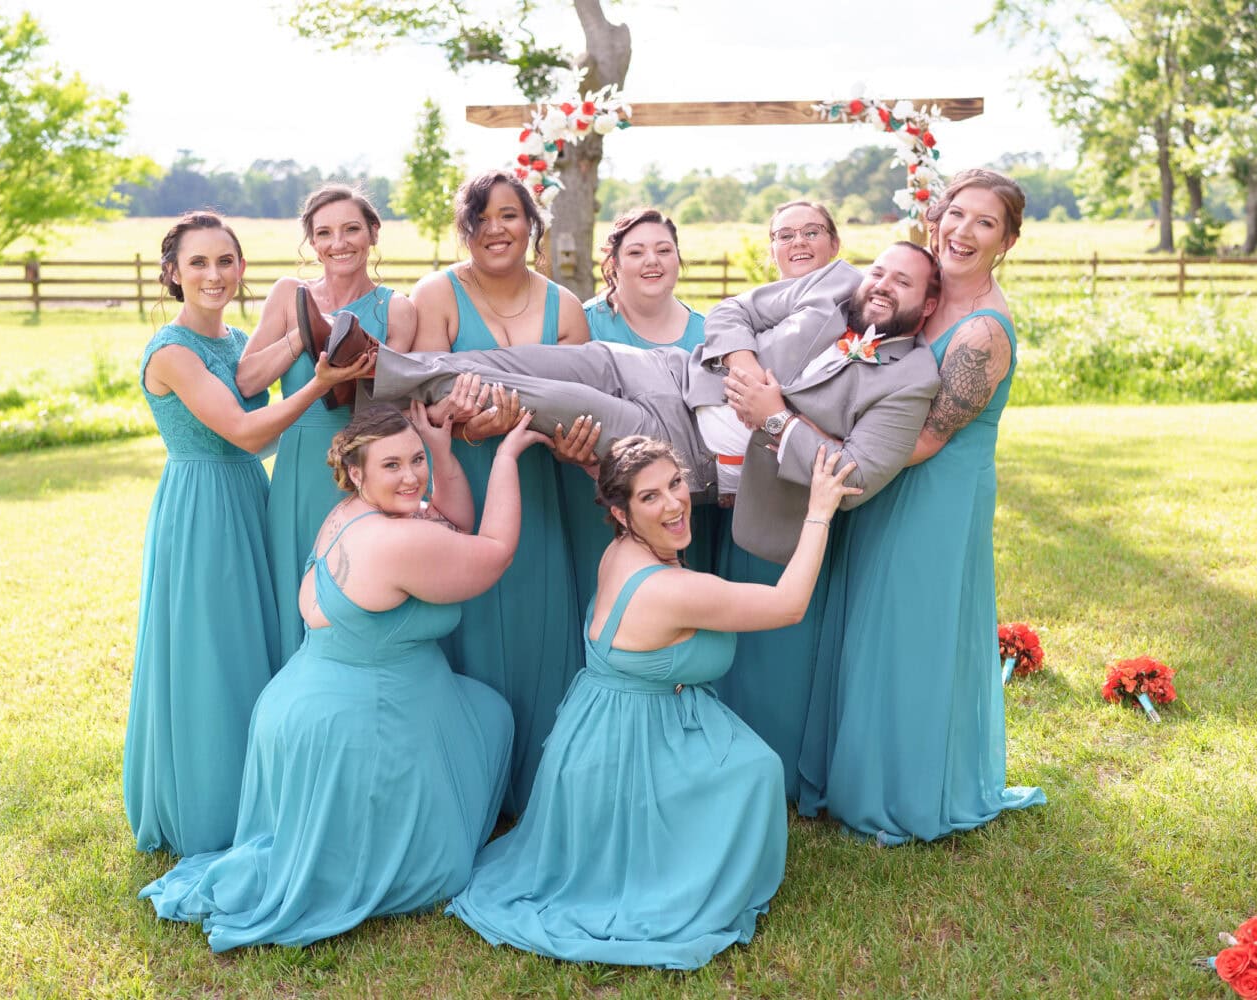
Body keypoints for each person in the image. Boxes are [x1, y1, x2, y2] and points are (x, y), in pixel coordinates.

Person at [447, 436, 857, 970]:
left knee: (750, 762)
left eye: (675, 483)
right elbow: (788, 605)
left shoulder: (622, 550)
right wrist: (820, 511)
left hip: (597, 728)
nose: (673, 503)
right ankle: (674, 875)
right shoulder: (667, 588)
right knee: (757, 772)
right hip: (624, 748)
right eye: (649, 497)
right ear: (621, 512)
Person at [139, 404, 538, 950]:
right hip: (359, 719)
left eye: (415, 460)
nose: (412, 476)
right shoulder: (395, 541)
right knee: (485, 731)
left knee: (487, 711)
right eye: (392, 465)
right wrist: (509, 455)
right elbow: (491, 551)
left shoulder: (349, 513)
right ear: (357, 471)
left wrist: (441, 452)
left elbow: (451, 527)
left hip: (301, 703)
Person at [373, 242, 943, 566]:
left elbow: (858, 477)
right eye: (881, 271)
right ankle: (375, 369)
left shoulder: (912, 377)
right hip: (668, 371)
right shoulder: (832, 284)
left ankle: (371, 374)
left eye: (904, 283)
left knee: (546, 398)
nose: (882, 285)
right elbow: (730, 314)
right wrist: (742, 363)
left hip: (680, 449)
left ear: (927, 304)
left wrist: (774, 414)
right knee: (523, 361)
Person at [796, 168, 1047, 842]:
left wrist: (807, 442)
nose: (962, 231)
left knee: (910, 633)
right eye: (956, 214)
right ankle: (848, 766)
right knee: (864, 620)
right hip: (875, 475)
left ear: (1008, 241)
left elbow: (925, 439)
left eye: (984, 223)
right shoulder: (920, 293)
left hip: (932, 490)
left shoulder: (982, 334)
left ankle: (902, 791)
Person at [125, 212, 362, 857]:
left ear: (241, 269)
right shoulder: (172, 352)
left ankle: (265, 790)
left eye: (225, 261)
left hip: (248, 499)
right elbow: (249, 432)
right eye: (197, 263)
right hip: (200, 508)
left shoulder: (234, 343)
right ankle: (209, 804)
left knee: (257, 644)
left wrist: (298, 341)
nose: (213, 274)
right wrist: (321, 379)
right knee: (211, 652)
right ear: (172, 273)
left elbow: (260, 392)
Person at [407, 169, 590, 815]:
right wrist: (471, 424)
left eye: (509, 215)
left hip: (539, 480)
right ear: (466, 227)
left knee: (540, 616)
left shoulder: (564, 307)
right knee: (471, 620)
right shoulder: (437, 294)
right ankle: (469, 784)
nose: (495, 229)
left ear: (531, 225)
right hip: (462, 480)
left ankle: (542, 784)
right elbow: (427, 396)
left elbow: (577, 399)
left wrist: (525, 426)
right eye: (481, 217)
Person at [234, 185, 417, 662]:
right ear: (312, 244)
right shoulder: (287, 295)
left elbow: (396, 409)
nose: (339, 243)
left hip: (362, 470)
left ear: (373, 234)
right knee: (293, 588)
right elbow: (249, 379)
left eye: (352, 229)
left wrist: (358, 368)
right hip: (296, 470)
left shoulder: (395, 308)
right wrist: (305, 331)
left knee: (353, 590)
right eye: (325, 233)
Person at [705, 199, 844, 796]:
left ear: (834, 242)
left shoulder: (850, 296)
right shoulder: (768, 300)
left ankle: (791, 761)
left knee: (795, 636)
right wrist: (743, 363)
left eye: (812, 231)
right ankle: (739, 760)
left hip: (804, 487)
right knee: (745, 637)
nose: (798, 243)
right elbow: (727, 310)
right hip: (745, 494)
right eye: (784, 235)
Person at [558, 207, 717, 613]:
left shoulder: (708, 335)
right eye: (636, 252)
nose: (652, 261)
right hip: (596, 494)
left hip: (689, 507)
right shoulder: (584, 324)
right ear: (612, 262)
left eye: (664, 250)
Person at [766, 200, 842, 281]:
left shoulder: (855, 288)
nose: (799, 242)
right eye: (786, 236)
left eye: (811, 233)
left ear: (834, 245)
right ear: (772, 252)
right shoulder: (757, 294)